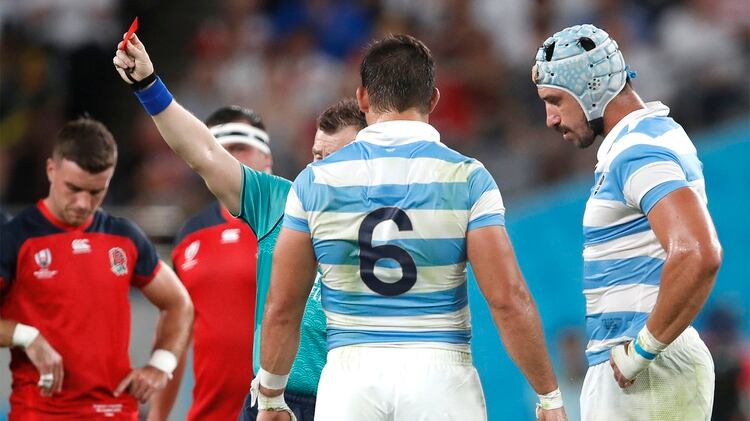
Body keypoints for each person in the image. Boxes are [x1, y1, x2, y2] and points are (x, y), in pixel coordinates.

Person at [256, 34, 566, 421]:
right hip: (439, 376)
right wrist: (549, 396)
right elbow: (508, 299)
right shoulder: (467, 178)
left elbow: (283, 306)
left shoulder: (315, 182)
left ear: (363, 98)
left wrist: (270, 397)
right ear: (433, 99)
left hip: (350, 380)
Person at [112, 33, 366, 421]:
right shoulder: (280, 202)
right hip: (271, 400)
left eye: (335, 159)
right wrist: (148, 85)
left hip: (348, 403)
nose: (320, 169)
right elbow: (205, 153)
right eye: (316, 156)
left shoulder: (392, 221)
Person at [532, 24, 722, 420]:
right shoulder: (647, 138)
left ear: (591, 87)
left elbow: (699, 252)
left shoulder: (637, 151)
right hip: (644, 368)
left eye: (554, 101)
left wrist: (642, 350)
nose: (550, 119)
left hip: (646, 371)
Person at [0, 116, 193, 419]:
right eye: (73, 188)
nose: (82, 203)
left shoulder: (124, 237)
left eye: (95, 192)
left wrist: (161, 364)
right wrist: (27, 337)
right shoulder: (16, 238)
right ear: (51, 170)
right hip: (39, 412)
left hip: (114, 411)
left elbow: (179, 302)